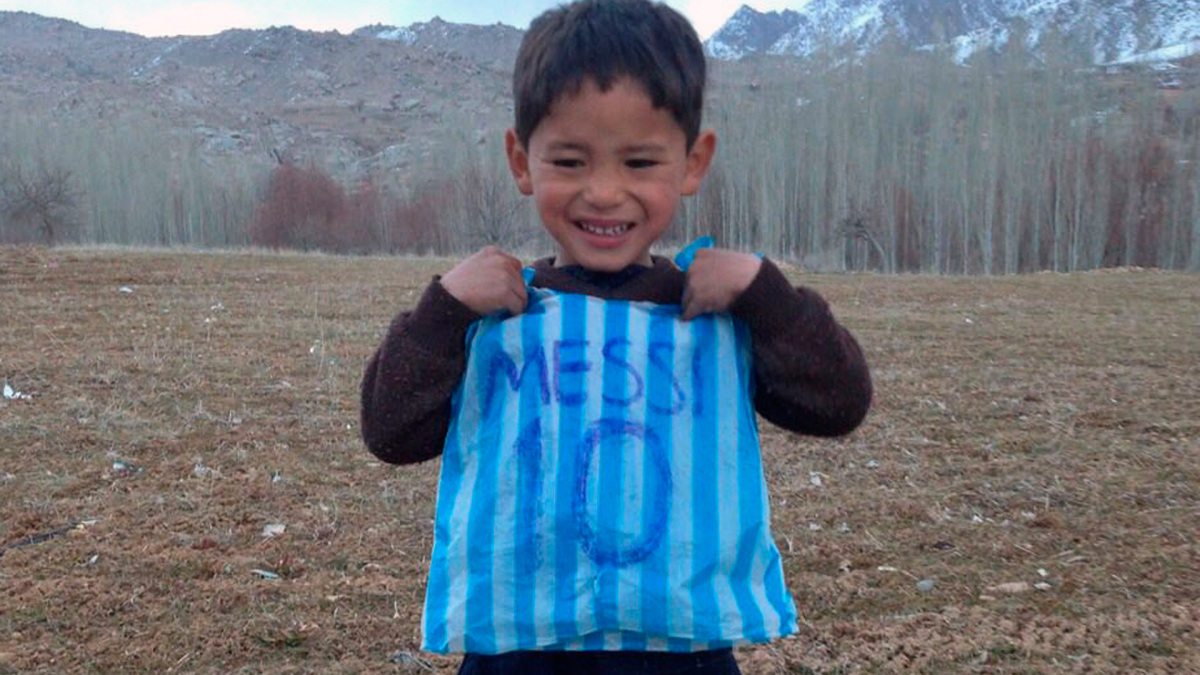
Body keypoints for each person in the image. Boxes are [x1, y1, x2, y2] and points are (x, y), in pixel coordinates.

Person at [360, 1, 872, 673]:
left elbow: (840, 403)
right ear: (522, 161)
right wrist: (441, 312)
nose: (604, 192)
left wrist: (768, 297)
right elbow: (389, 433)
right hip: (516, 652)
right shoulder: (489, 312)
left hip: (683, 654)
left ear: (692, 162)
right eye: (570, 161)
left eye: (639, 161)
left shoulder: (719, 315)